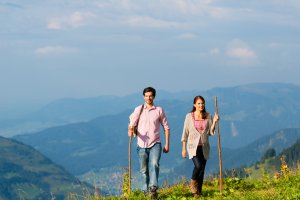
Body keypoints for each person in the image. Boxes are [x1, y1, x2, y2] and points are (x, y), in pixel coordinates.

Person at [128, 87, 170, 198]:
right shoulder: (139, 109)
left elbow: (166, 127)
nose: (148, 98)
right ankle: (145, 188)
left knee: (154, 164)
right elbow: (131, 125)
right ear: (143, 97)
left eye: (150, 96)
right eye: (146, 96)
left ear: (154, 96)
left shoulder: (159, 110)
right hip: (141, 144)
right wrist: (131, 130)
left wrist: (167, 144)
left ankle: (153, 188)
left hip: (155, 143)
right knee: (144, 170)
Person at [181, 95, 219, 197]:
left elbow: (211, 132)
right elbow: (185, 132)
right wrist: (183, 148)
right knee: (198, 166)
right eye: (199, 103)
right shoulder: (189, 116)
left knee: (202, 170)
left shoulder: (208, 116)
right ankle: (193, 182)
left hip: (204, 146)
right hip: (193, 146)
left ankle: (198, 193)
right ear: (194, 105)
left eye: (202, 103)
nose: (201, 105)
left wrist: (214, 121)